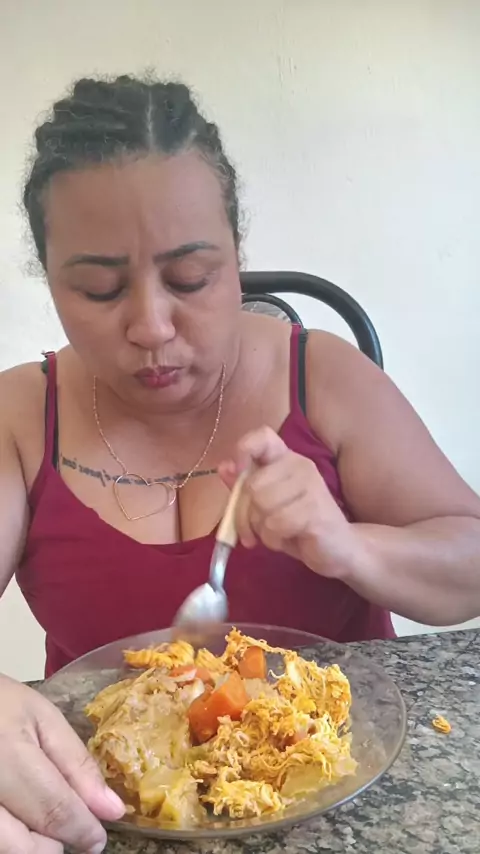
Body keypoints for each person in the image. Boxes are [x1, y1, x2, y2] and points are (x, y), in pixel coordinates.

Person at [0, 73, 479, 853]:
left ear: (235, 255)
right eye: (98, 288)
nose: (152, 325)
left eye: (190, 278)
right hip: (113, 805)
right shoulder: (21, 415)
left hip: (338, 795)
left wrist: (351, 547)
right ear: (50, 279)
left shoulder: (323, 377)